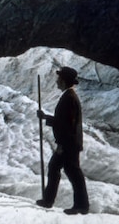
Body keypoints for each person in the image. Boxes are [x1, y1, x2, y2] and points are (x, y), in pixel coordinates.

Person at [36, 66, 90, 215]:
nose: (56, 82)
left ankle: (81, 205)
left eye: (59, 79)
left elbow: (67, 125)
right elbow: (63, 121)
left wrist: (62, 145)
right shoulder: (69, 96)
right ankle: (49, 200)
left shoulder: (69, 98)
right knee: (58, 168)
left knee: (72, 173)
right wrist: (46, 117)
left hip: (69, 144)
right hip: (69, 142)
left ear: (65, 81)